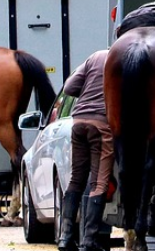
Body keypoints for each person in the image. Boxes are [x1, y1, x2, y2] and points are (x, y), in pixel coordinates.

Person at [59, 49, 114, 251]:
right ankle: (89, 241)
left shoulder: (95, 56)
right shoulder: (121, 57)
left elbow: (70, 87)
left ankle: (65, 238)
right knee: (99, 182)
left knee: (76, 179)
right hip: (100, 125)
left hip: (78, 121)